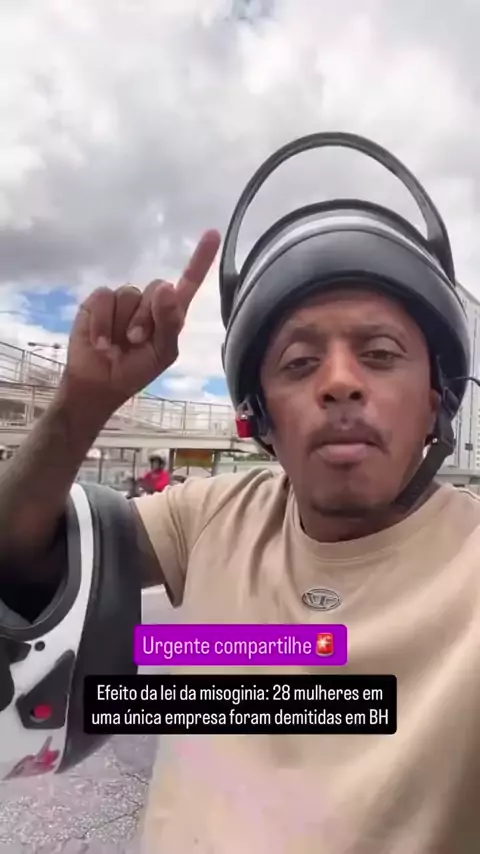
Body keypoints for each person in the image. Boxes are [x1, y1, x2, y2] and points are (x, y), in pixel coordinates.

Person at [1, 133, 480, 853]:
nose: (339, 381)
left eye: (380, 355)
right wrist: (81, 405)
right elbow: (15, 547)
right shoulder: (212, 515)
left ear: (436, 402)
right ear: (258, 417)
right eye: (300, 362)